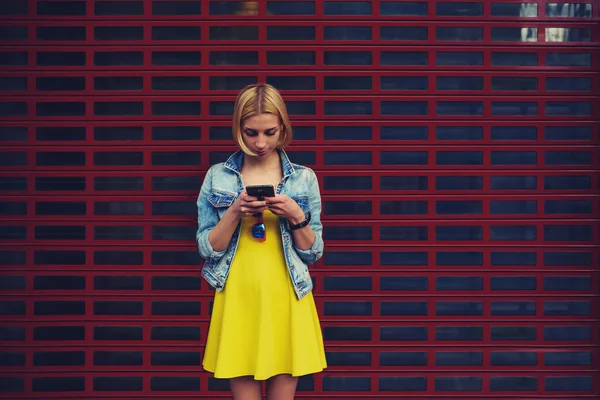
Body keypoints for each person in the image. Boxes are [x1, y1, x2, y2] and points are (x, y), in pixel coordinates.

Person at [195, 83, 327, 400]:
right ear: (238, 129)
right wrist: (235, 212)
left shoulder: (303, 178)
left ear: (283, 126)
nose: (260, 142)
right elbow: (206, 247)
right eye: (251, 133)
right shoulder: (218, 176)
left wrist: (296, 215)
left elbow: (314, 253)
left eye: (270, 132)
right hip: (238, 296)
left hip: (287, 294)